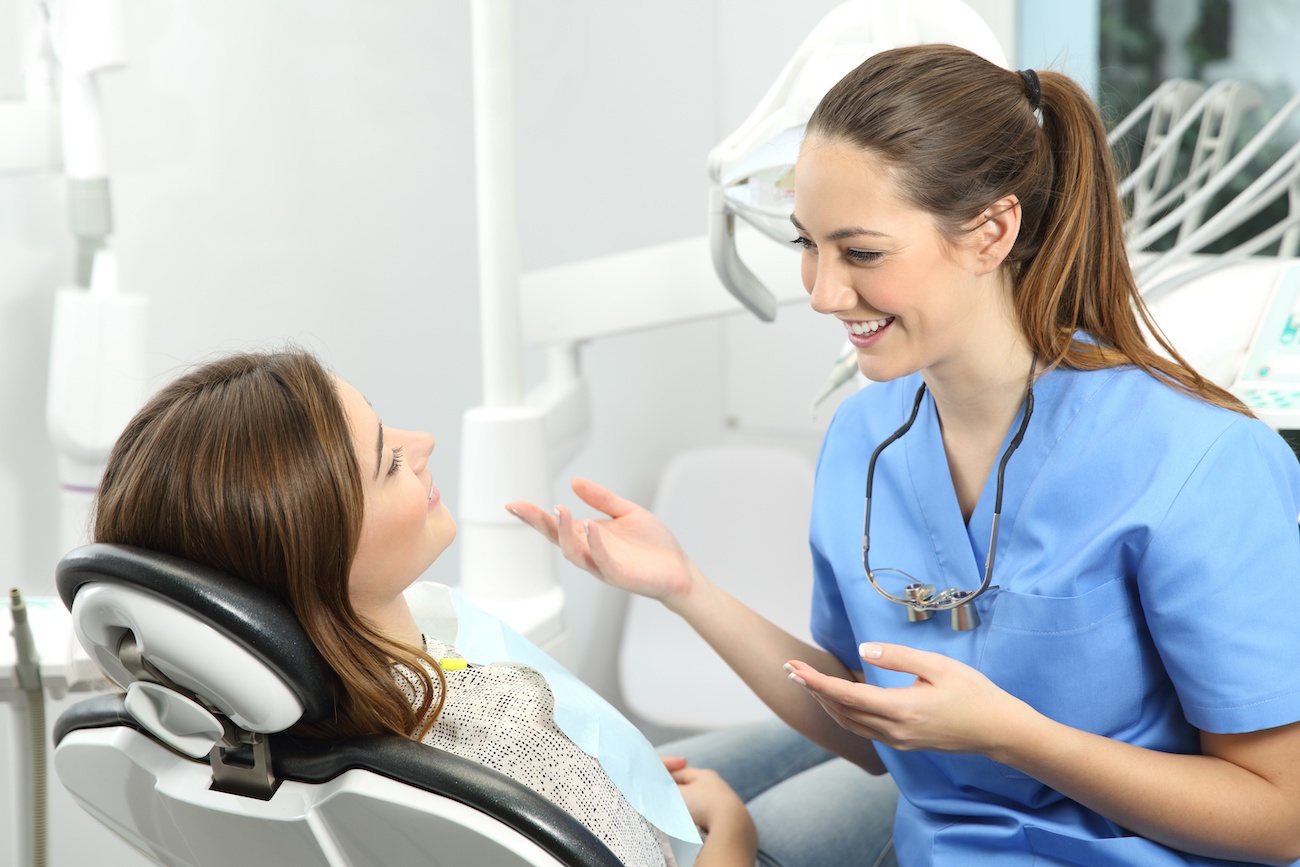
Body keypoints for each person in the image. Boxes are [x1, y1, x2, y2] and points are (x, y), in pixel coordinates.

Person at [508, 43, 1300, 867]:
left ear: (992, 230)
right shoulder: (866, 439)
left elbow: (1280, 816)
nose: (820, 291)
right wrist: (685, 589)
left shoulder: (1200, 460)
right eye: (807, 244)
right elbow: (876, 726)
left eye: (861, 252)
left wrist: (1016, 737)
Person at [92, 348, 757, 867]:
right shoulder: (509, 741)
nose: (424, 442)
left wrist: (597, 775)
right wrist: (734, 829)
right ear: (324, 560)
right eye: (389, 461)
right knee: (859, 766)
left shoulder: (261, 736)